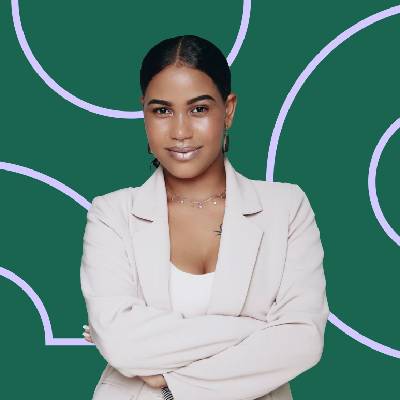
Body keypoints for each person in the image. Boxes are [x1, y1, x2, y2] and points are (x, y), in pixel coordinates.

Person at [80, 35, 329, 400]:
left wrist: (171, 382)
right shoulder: (112, 214)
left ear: (228, 110)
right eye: (162, 111)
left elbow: (302, 341)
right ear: (144, 112)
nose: (180, 132)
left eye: (198, 109)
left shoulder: (287, 208)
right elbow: (121, 342)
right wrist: (255, 330)